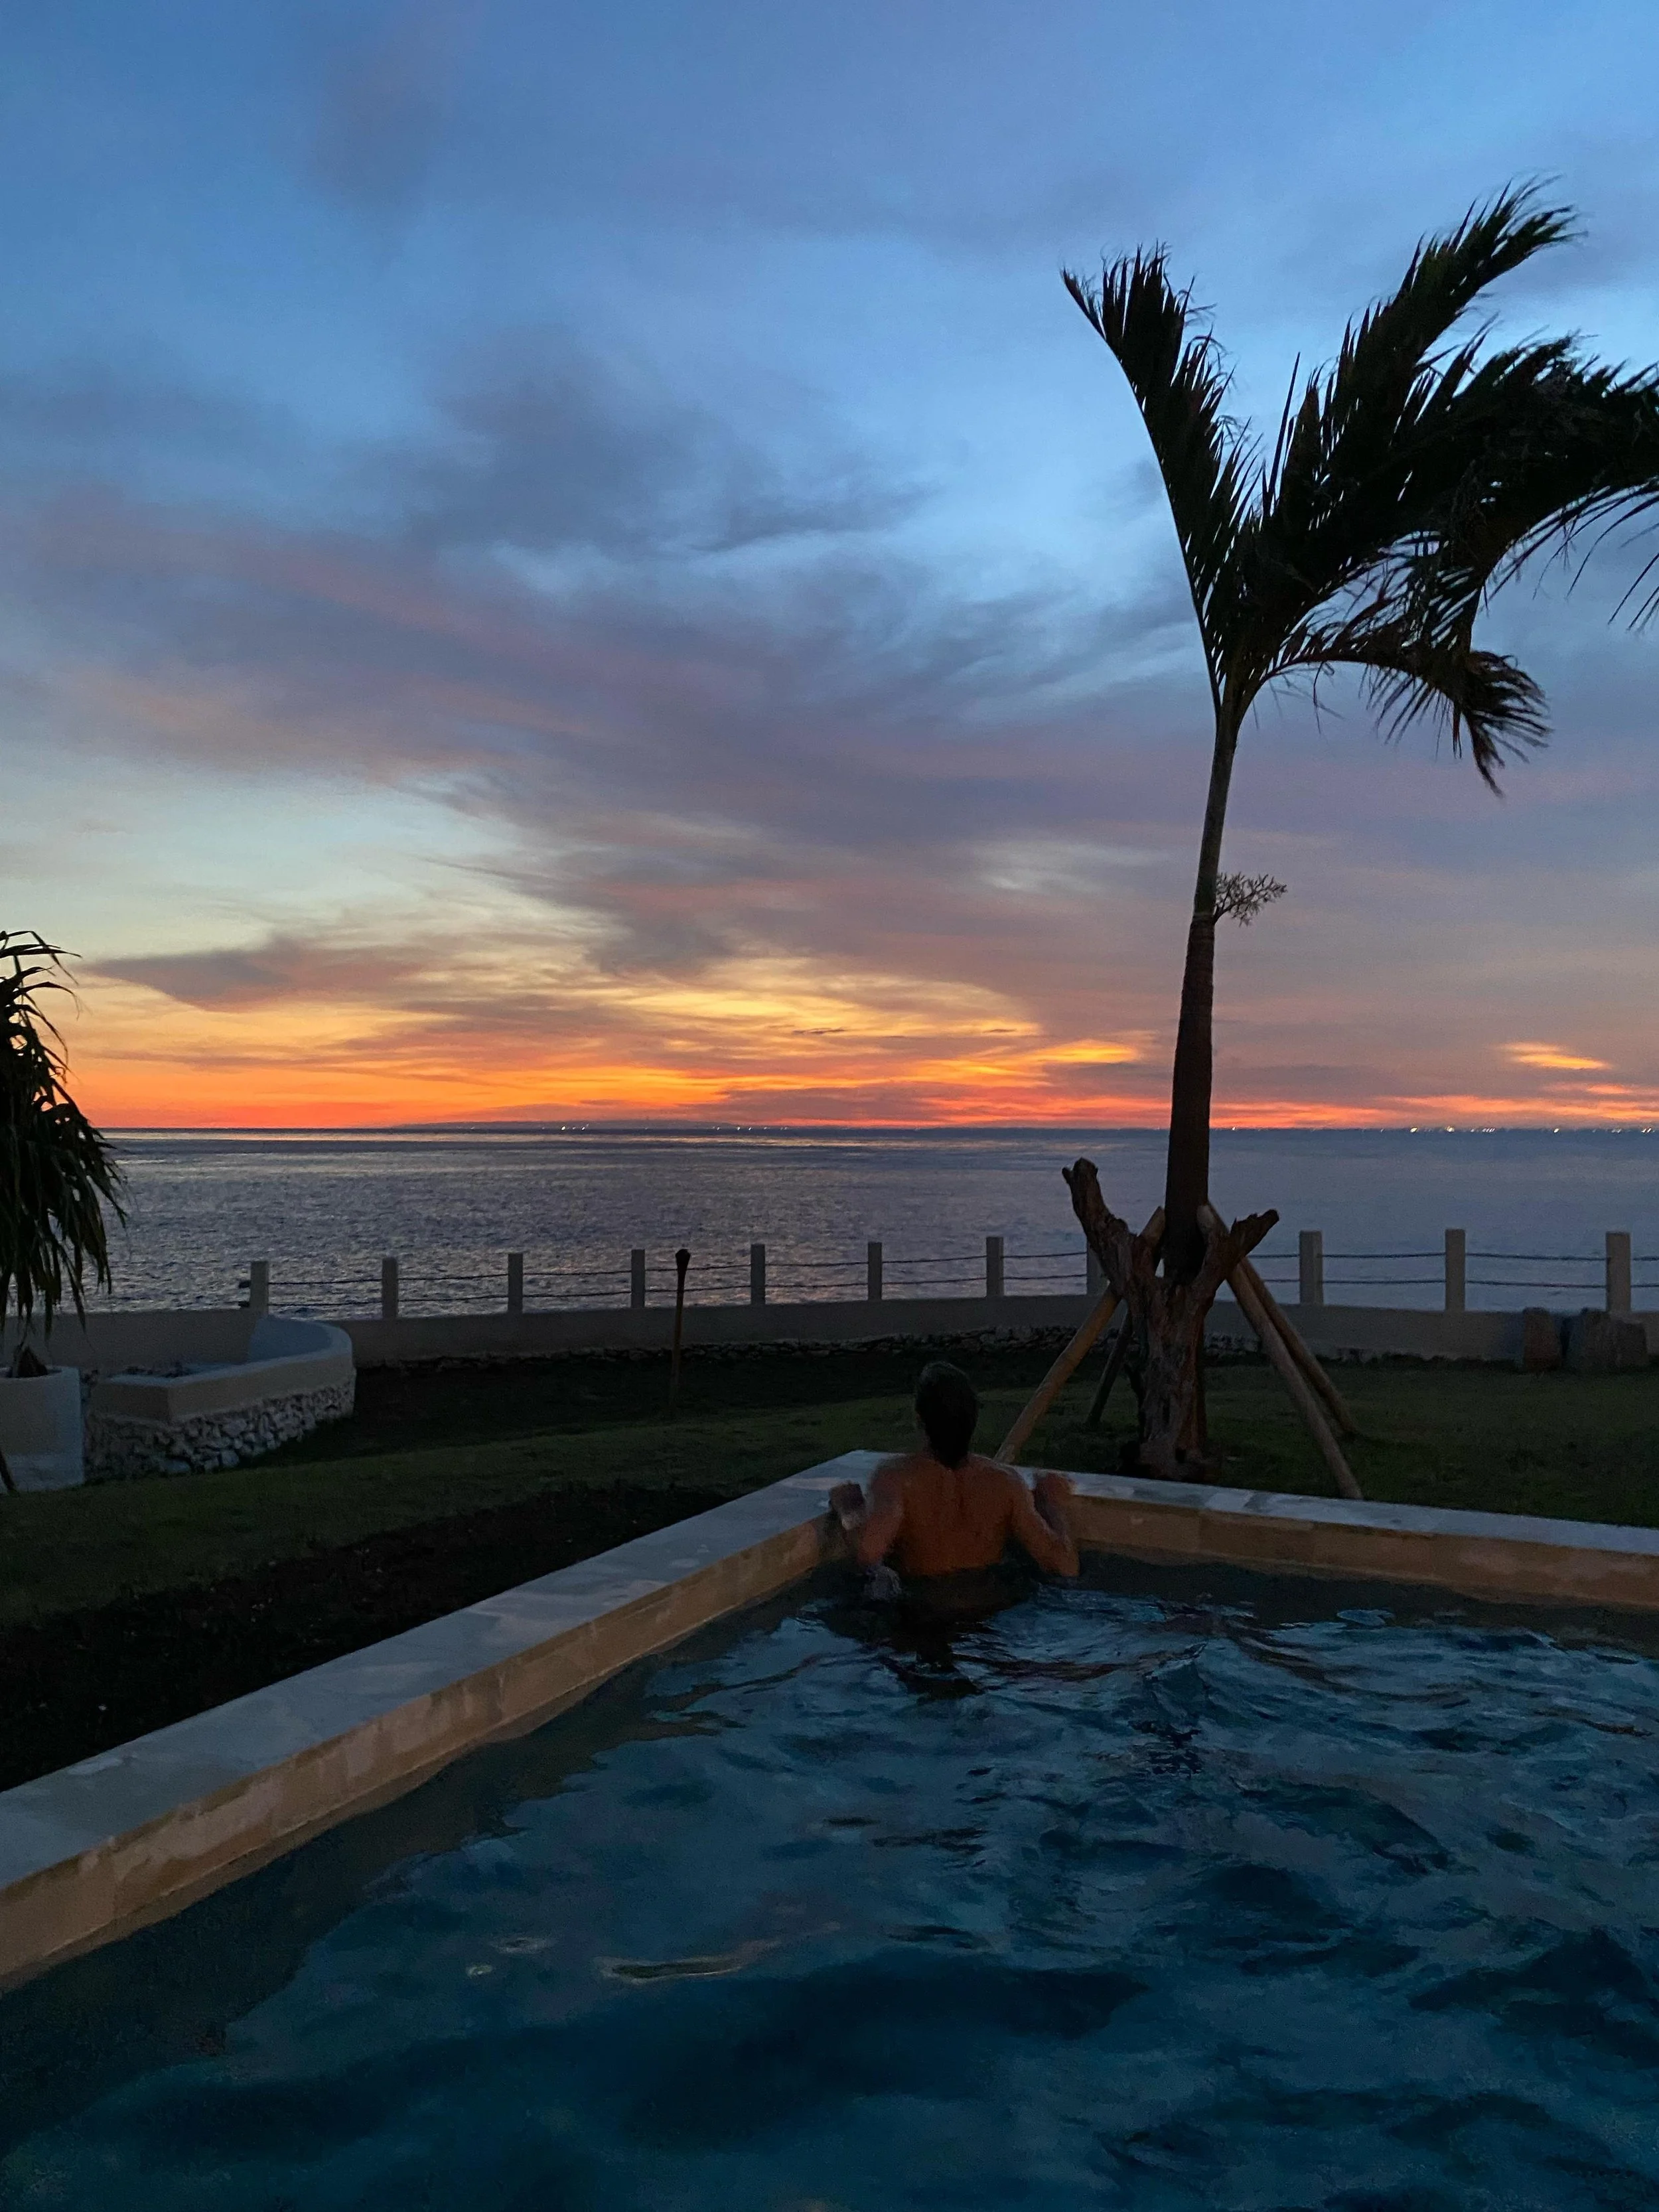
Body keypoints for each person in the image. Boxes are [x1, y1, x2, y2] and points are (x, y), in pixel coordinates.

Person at [830, 1360, 1078, 1581]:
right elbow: (1065, 1566)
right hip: (986, 1617)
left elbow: (867, 1553)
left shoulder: (896, 1478)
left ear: (918, 1419)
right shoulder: (1006, 1484)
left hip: (920, 1620)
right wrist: (1052, 1504)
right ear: (974, 1418)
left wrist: (849, 1508)